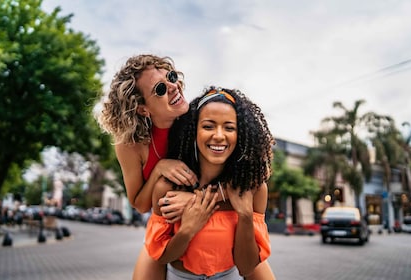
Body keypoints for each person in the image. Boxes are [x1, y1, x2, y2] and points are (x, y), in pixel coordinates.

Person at [145, 86, 276, 279]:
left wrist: (245, 215)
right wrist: (188, 228)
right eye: (208, 126)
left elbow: (247, 268)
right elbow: (162, 257)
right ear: (193, 131)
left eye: (229, 128)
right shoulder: (168, 187)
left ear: (239, 135)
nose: (219, 135)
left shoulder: (253, 189)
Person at [96, 54, 199, 279]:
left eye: (171, 77)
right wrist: (159, 169)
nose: (173, 86)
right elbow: (139, 204)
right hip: (163, 227)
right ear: (142, 108)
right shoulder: (130, 145)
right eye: (160, 89)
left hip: (208, 218)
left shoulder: (202, 121)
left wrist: (194, 201)